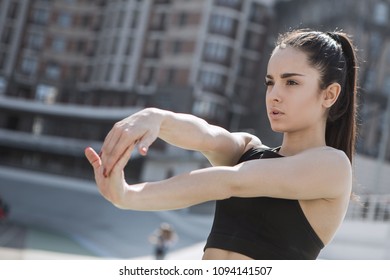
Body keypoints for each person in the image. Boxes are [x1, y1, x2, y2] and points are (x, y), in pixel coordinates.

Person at [85, 29, 358, 260]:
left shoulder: (332, 166)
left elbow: (231, 182)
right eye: (270, 82)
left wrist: (129, 196)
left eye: (291, 82)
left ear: (329, 94)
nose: (274, 95)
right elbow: (206, 135)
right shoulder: (248, 150)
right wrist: (156, 117)